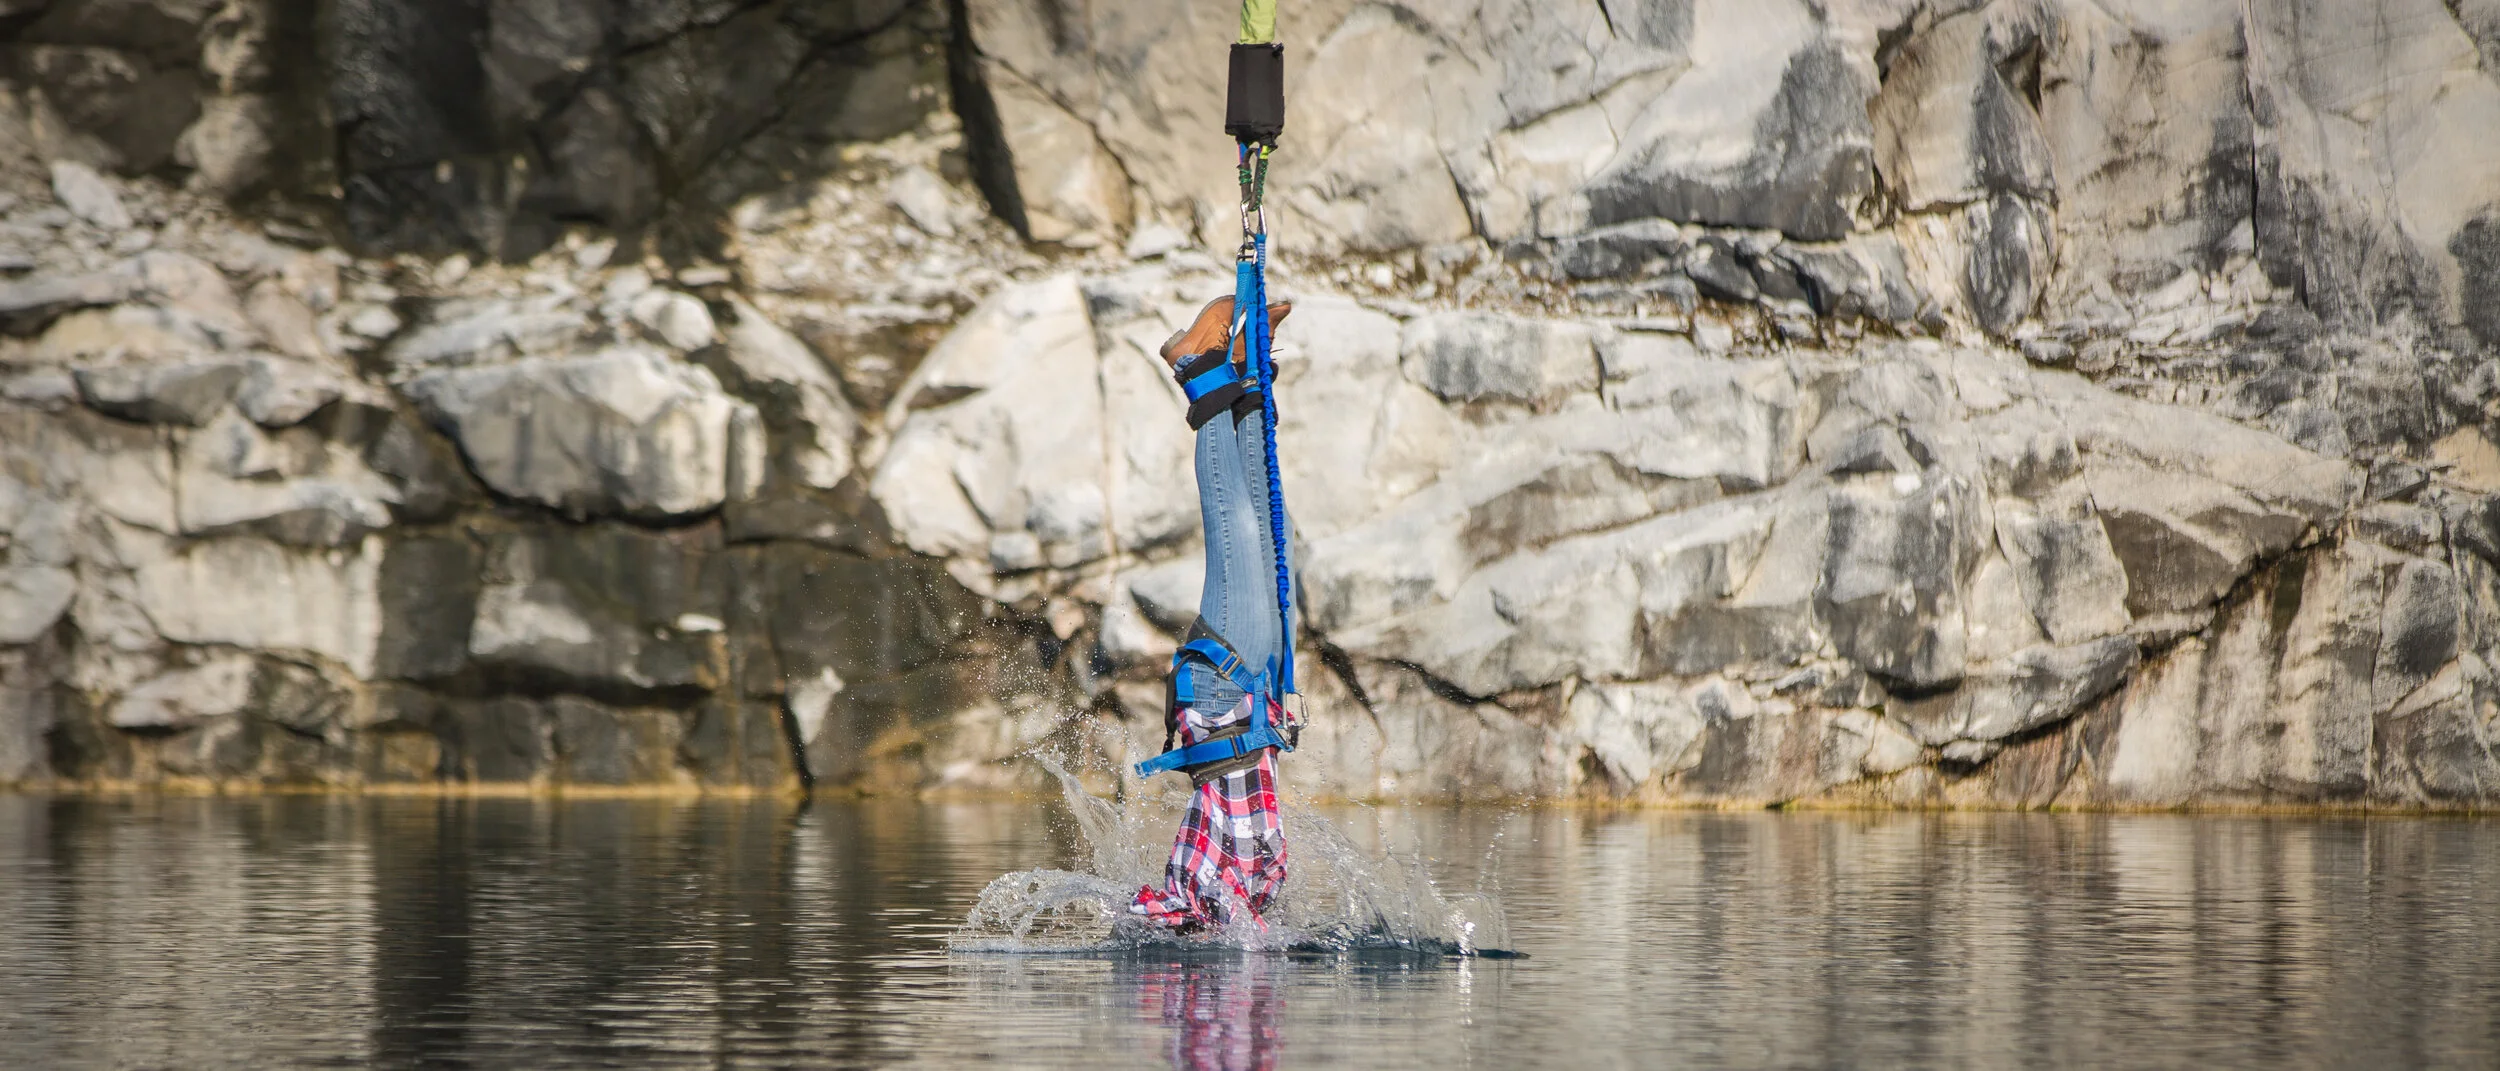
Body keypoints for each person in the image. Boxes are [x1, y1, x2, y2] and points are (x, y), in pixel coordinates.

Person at [1128, 293, 1297, 933]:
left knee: (1240, 529)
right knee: (1261, 523)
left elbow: (1156, 917)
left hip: (1226, 696)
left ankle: (1196, 366)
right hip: (1254, 702)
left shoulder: (1195, 896)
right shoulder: (1232, 908)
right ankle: (1247, 370)